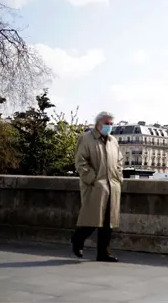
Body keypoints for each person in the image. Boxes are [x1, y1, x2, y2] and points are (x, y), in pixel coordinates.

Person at [71, 111, 123, 262]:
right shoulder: (86, 138)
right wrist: (91, 179)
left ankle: (103, 253)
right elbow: (80, 161)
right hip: (95, 186)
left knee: (108, 223)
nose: (109, 126)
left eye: (111, 124)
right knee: (92, 220)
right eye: (107, 123)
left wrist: (118, 178)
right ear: (98, 124)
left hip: (112, 186)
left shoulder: (113, 141)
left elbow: (119, 161)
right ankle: (77, 239)